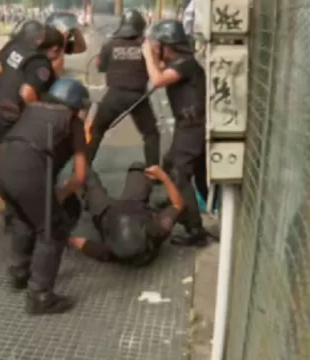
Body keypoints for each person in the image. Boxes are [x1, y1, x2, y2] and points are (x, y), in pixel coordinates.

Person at [0, 78, 89, 315]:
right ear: (76, 105)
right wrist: (62, 194)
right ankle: (40, 295)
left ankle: (19, 272)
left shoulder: (32, 109)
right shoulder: (72, 122)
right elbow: (80, 176)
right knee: (52, 229)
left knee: (23, 216)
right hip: (27, 171)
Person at [142, 19, 209, 247]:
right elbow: (161, 71)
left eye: (158, 45)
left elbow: (158, 79)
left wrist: (148, 55)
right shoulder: (180, 62)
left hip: (192, 127)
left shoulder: (185, 64)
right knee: (178, 166)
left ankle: (194, 229)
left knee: (179, 174)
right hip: (189, 126)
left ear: (167, 45)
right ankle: (179, 203)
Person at [85, 9, 160, 167]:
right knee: (151, 134)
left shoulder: (110, 44)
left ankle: (81, 170)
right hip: (138, 97)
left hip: (114, 96)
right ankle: (153, 173)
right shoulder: (145, 45)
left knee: (96, 131)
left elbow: (101, 67)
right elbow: (154, 67)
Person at [69, 163, 184, 265]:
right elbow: (178, 204)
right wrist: (163, 176)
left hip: (105, 211)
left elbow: (82, 243)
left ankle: (83, 186)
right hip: (134, 203)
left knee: (88, 179)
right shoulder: (159, 230)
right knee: (138, 168)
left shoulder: (111, 251)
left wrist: (64, 237)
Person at [0, 24, 65, 143]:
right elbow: (26, 93)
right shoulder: (40, 63)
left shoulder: (18, 49)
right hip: (9, 118)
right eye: (60, 53)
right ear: (54, 49)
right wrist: (41, 119)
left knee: (7, 152)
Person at [0, 20, 46, 102]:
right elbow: (26, 93)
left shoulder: (12, 46)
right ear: (38, 38)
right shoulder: (36, 58)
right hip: (13, 108)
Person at [45, 12, 87, 76]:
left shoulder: (59, 43)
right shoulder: (43, 45)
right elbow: (56, 68)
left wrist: (75, 29)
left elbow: (81, 48)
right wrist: (64, 38)